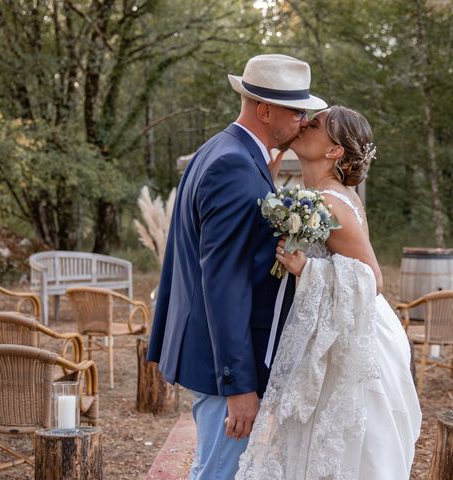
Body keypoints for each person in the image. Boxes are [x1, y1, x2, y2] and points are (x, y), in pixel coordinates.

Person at [146, 54, 327, 480]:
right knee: (217, 474)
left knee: (211, 468)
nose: (303, 121)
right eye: (297, 111)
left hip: (208, 351)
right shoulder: (234, 167)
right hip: (221, 364)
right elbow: (224, 282)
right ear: (265, 110)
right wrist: (239, 385)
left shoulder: (226, 150)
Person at [236, 106, 422, 480]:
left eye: (316, 124)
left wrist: (309, 270)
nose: (304, 123)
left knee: (350, 447)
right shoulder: (321, 194)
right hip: (336, 324)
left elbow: (374, 278)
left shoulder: (331, 202)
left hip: (358, 335)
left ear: (335, 151)